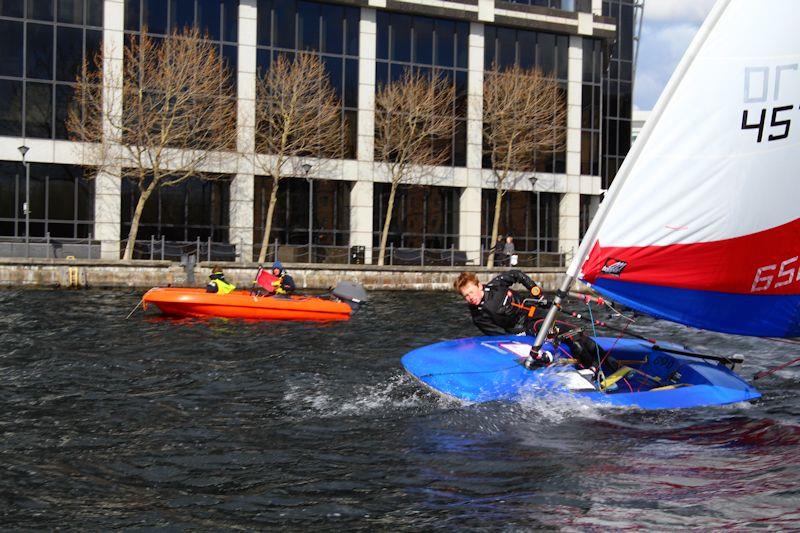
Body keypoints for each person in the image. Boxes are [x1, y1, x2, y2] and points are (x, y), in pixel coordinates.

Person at [454, 270, 546, 337]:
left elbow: (517, 274)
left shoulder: (495, 285)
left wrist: (536, 292)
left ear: (479, 286)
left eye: (471, 292)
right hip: (522, 328)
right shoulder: (478, 317)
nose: (470, 297)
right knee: (542, 327)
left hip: (533, 309)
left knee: (554, 319)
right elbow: (500, 335)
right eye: (466, 296)